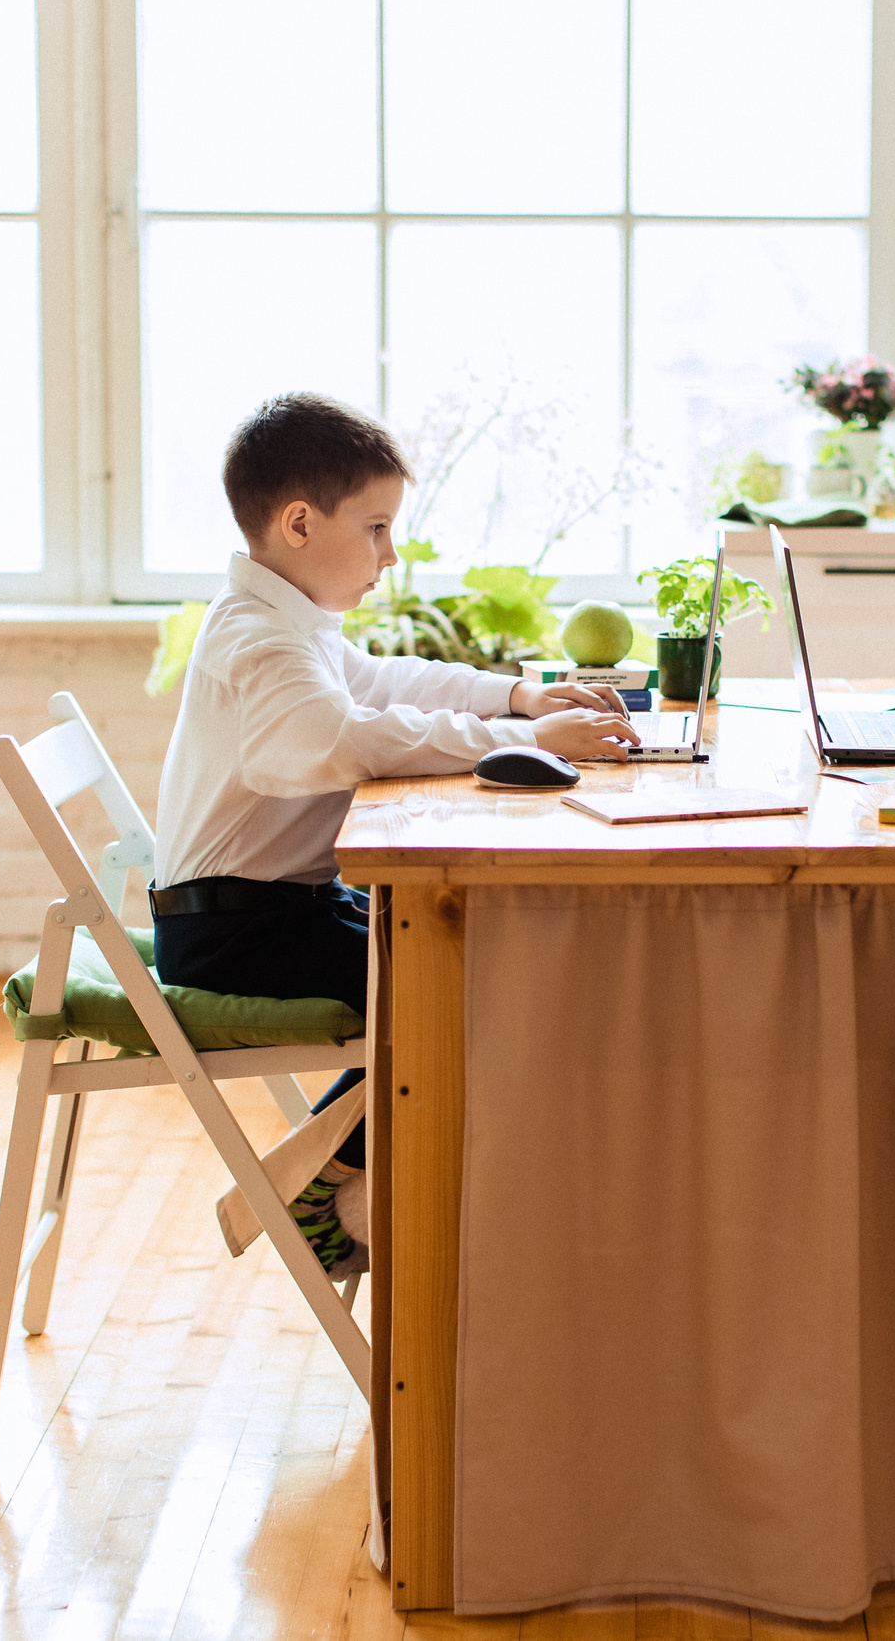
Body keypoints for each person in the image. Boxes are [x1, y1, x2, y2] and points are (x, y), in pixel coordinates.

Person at [150, 393, 637, 1276]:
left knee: (487, 964)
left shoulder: (289, 623)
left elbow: (378, 684)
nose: (390, 554)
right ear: (299, 523)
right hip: (234, 933)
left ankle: (322, 1178)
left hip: (267, 912)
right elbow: (337, 738)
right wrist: (524, 740)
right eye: (375, 528)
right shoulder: (256, 639)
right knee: (473, 982)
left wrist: (517, 695)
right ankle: (327, 1193)